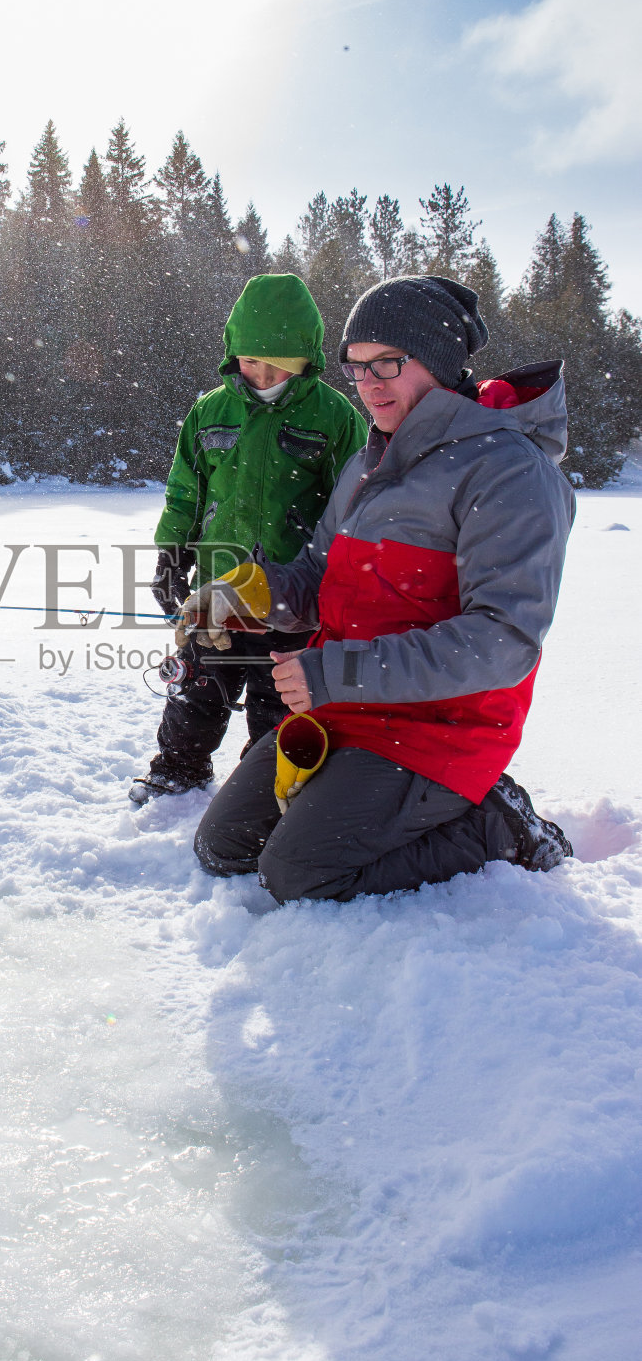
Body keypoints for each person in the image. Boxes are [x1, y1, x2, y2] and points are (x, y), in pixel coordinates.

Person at [183, 274, 575, 900]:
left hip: (440, 729)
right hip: (343, 710)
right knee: (225, 846)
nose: (369, 385)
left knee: (300, 874)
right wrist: (256, 593)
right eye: (357, 368)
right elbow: (321, 576)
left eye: (388, 363)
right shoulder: (371, 462)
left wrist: (336, 671)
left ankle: (497, 825)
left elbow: (503, 643)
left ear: (440, 363)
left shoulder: (508, 471)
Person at [130, 273, 367, 804]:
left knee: (279, 698)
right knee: (196, 687)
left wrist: (334, 583)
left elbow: (349, 509)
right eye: (249, 359)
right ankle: (177, 768)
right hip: (219, 588)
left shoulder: (335, 418)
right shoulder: (211, 411)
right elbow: (184, 494)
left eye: (277, 362)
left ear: (307, 357)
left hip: (291, 594)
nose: (260, 373)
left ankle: (262, 783)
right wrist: (172, 556)